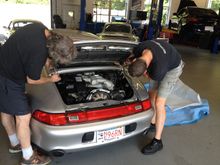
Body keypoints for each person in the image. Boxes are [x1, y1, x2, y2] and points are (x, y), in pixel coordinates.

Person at [0, 23, 76, 165]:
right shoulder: (38, 52)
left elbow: (38, 52)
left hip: (5, 64)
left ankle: (15, 143)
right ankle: (28, 158)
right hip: (6, 76)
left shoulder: (41, 28)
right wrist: (50, 79)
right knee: (23, 117)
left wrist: (48, 62)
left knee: (5, 109)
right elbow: (32, 80)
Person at [128, 39, 184, 155]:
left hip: (173, 68)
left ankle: (158, 141)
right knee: (151, 95)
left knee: (159, 103)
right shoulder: (140, 48)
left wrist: (148, 74)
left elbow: (154, 77)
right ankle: (153, 124)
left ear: (146, 70)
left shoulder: (158, 70)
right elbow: (131, 59)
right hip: (163, 57)